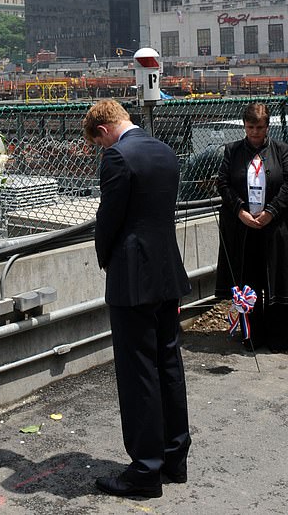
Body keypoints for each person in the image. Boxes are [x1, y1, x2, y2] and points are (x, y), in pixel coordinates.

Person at [83, 99, 191, 499]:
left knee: (138, 372)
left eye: (98, 143)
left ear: (103, 130)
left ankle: (144, 471)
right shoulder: (164, 151)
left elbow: (108, 220)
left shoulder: (117, 158)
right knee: (168, 363)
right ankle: (174, 458)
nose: (100, 150)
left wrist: (104, 258)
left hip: (133, 278)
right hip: (167, 272)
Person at [215, 102, 288, 352]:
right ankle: (251, 334)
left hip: (274, 227)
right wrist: (240, 210)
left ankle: (278, 337)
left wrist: (271, 212)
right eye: (250, 127)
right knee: (248, 281)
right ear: (244, 126)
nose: (254, 133)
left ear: (267, 127)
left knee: (276, 280)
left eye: (259, 128)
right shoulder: (232, 151)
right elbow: (223, 184)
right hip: (243, 228)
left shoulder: (281, 151)